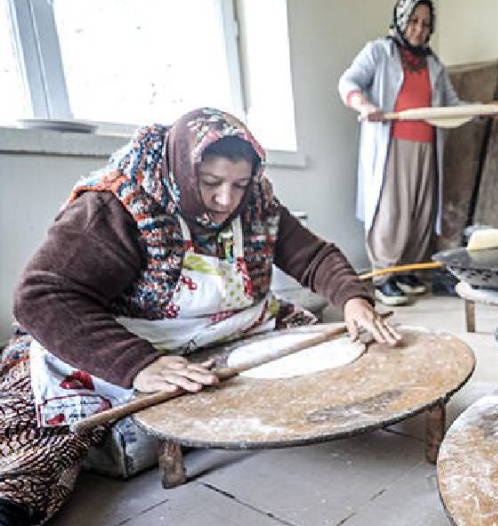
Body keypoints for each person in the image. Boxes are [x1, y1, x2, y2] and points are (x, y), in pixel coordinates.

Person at [0, 108, 399, 525]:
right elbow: (42, 295)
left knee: (328, 350)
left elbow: (314, 257)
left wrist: (353, 298)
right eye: (210, 183)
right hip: (119, 336)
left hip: (221, 327)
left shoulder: (256, 202)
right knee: (40, 440)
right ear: (183, 169)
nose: (227, 200)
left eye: (239, 184)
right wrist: (138, 364)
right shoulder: (117, 204)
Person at [338, 0, 463, 306]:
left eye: (425, 24)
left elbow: (453, 104)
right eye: (413, 21)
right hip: (392, 145)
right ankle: (384, 276)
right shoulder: (378, 52)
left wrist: (485, 110)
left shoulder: (434, 64)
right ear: (401, 19)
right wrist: (364, 104)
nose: (419, 29)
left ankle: (407, 270)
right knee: (391, 210)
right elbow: (348, 82)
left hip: (427, 148)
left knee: (420, 212)